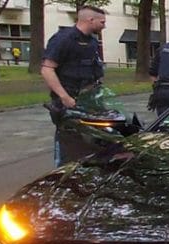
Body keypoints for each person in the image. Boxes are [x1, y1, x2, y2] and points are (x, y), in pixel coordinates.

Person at [41, 5, 106, 167]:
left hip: (89, 99)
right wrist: (64, 97)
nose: (104, 26)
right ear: (90, 20)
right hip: (69, 100)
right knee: (68, 140)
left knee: (91, 140)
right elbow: (47, 69)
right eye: (102, 22)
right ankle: (62, 173)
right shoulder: (64, 39)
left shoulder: (91, 41)